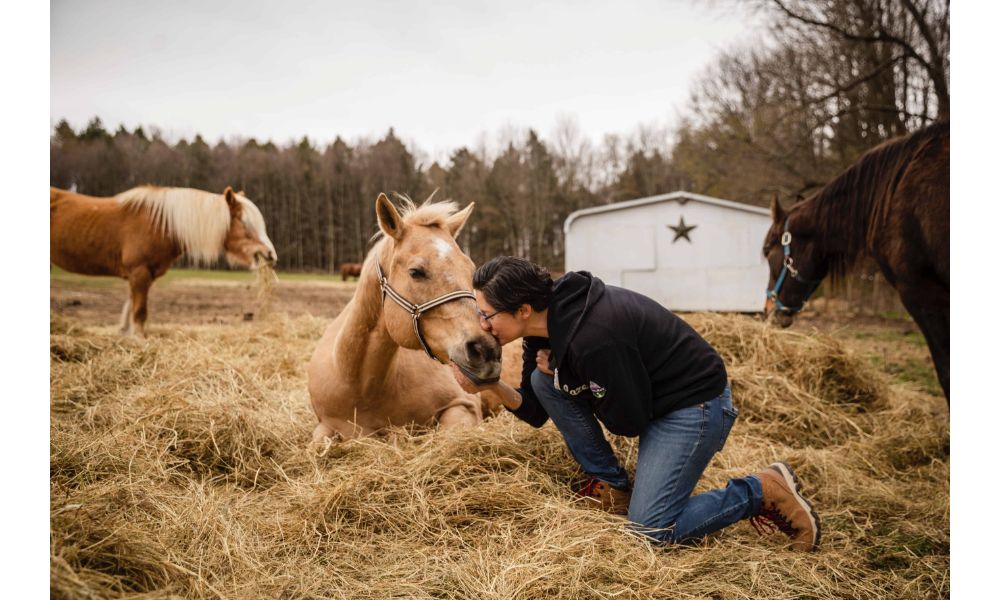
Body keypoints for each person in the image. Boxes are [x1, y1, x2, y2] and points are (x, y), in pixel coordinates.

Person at [450, 256, 820, 551]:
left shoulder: (594, 338)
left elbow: (628, 422)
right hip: (652, 398)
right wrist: (491, 384)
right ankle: (612, 486)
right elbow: (534, 411)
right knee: (540, 381)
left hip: (694, 404)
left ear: (523, 309)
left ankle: (761, 490)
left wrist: (566, 375)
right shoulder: (542, 329)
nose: (483, 325)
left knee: (651, 531)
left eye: (487, 315)